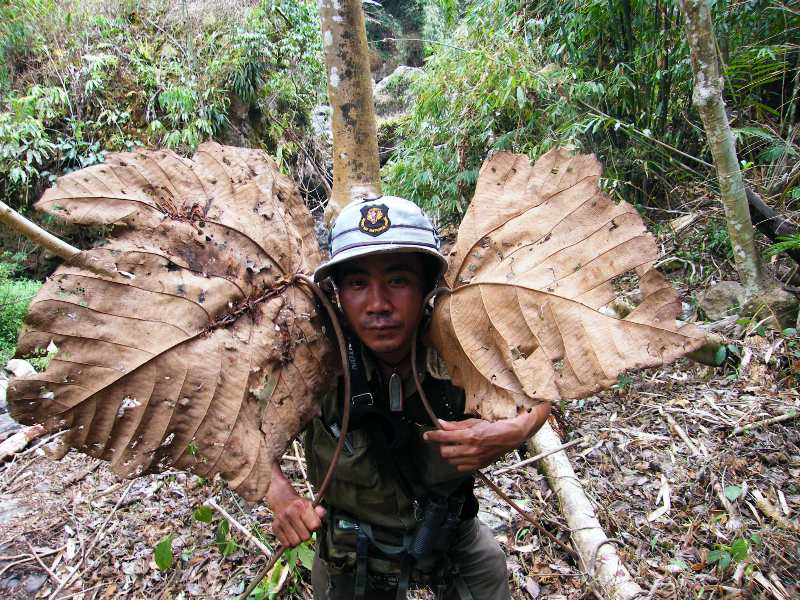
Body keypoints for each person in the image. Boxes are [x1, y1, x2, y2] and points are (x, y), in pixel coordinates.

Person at [265, 196, 550, 599]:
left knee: (487, 573)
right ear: (338, 294)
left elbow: (543, 385)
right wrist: (278, 492)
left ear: (427, 287)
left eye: (398, 281)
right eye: (358, 284)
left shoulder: (462, 344)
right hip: (351, 551)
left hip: (451, 534)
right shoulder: (312, 357)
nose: (378, 305)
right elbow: (240, 430)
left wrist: (512, 430)